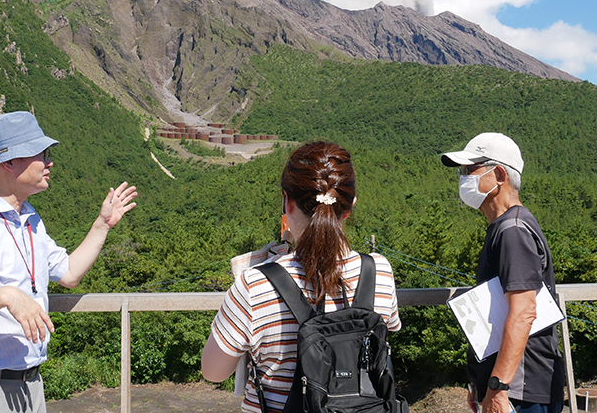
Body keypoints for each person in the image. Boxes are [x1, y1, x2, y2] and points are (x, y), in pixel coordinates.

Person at [0, 111, 137, 413]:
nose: (50, 163)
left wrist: (102, 225)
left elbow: (69, 274)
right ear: (9, 161)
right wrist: (6, 296)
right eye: (41, 154)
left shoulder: (30, 220)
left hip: (30, 385)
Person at [201, 141, 401, 412]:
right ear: (350, 206)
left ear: (287, 202)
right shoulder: (379, 271)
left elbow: (213, 372)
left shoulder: (254, 284)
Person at [440, 132, 565, 413]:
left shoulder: (513, 231)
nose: (463, 178)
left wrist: (497, 387)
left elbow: (523, 312)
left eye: (469, 170)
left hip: (521, 391)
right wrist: (481, 384)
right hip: (512, 387)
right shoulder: (506, 226)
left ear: (499, 175)